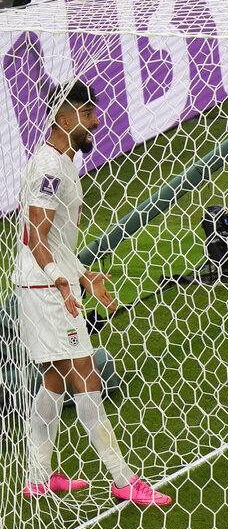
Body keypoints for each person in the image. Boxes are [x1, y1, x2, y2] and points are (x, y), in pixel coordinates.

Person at [14, 81, 171, 505]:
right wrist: (61, 280)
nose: (96, 122)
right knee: (86, 375)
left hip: (51, 281)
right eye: (87, 115)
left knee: (54, 380)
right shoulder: (48, 169)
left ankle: (39, 476)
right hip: (44, 287)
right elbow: (34, 234)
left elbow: (58, 239)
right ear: (64, 120)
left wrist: (84, 275)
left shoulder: (64, 162)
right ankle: (122, 480)